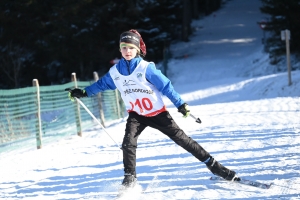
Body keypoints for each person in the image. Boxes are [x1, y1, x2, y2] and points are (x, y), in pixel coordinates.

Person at [68, 29, 239, 188]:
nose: (127, 51)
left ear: (137, 50)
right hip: (136, 115)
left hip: (158, 113)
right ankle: (130, 178)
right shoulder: (115, 72)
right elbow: (102, 84)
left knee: (183, 140)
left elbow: (166, 86)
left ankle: (215, 167)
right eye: (124, 47)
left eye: (131, 48)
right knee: (128, 143)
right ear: (120, 50)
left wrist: (180, 104)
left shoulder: (145, 68)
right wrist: (84, 92)